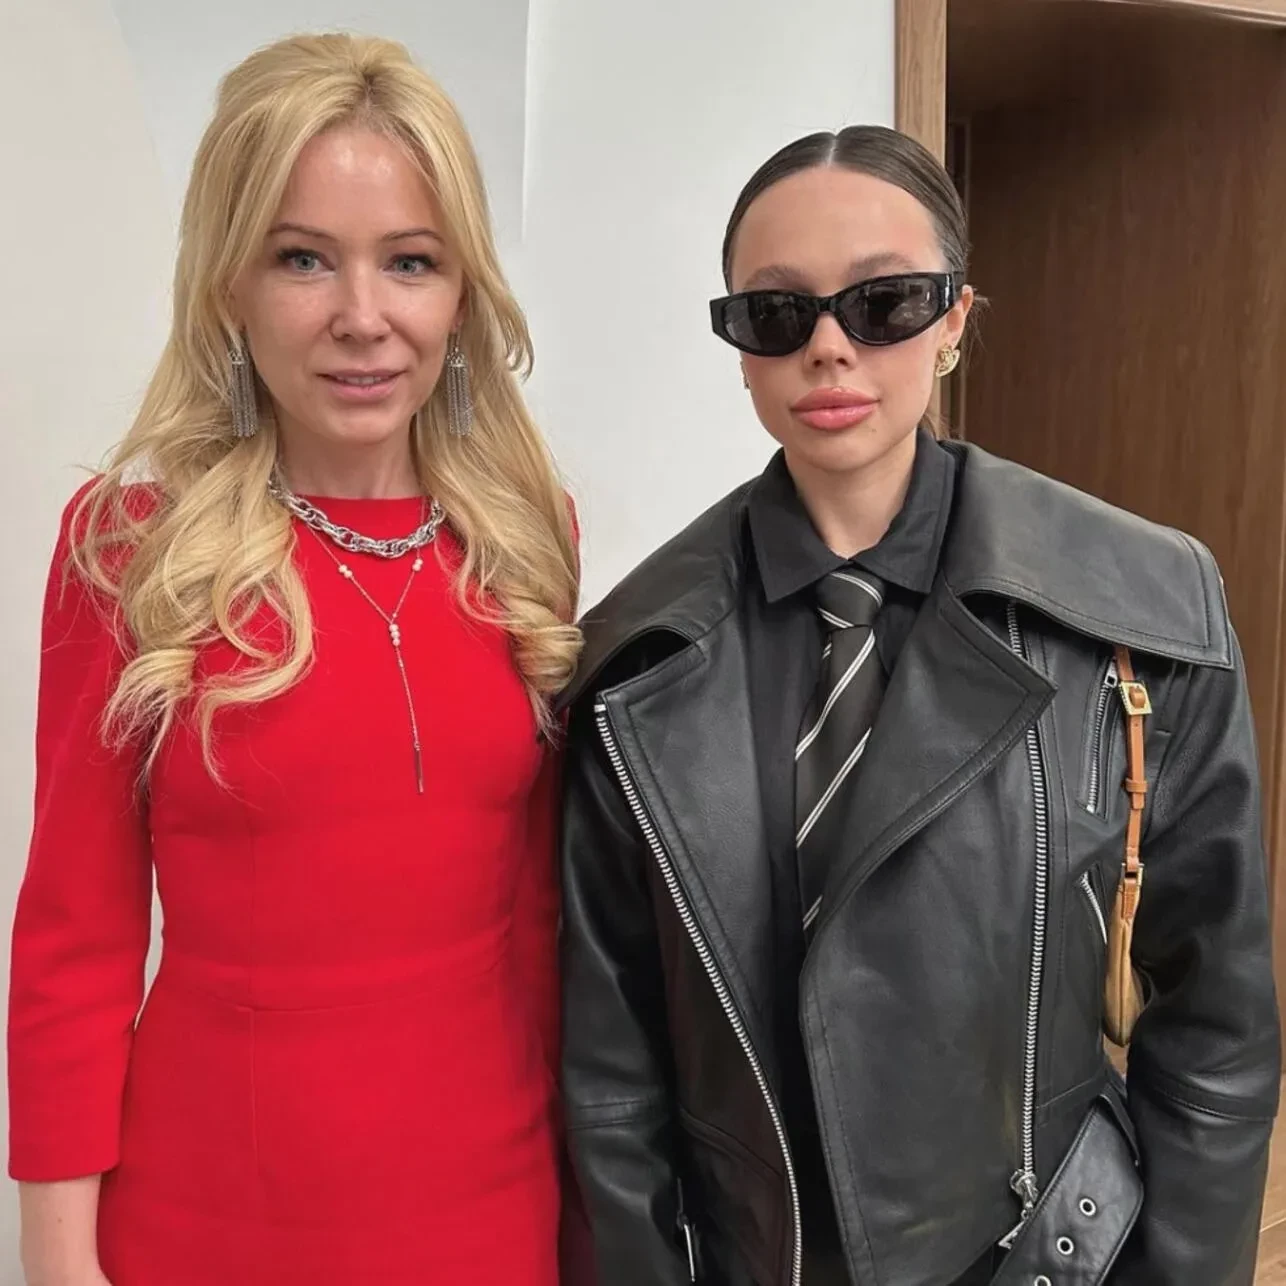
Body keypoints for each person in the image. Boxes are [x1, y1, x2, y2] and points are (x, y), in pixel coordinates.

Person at [557, 124, 1280, 1286]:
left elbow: (1216, 1028)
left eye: (883, 301)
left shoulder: (1140, 609)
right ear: (737, 347)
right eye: (776, 313)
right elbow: (613, 1072)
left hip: (1043, 1254)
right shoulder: (632, 665)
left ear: (952, 319)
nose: (829, 348)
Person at [8, 32, 581, 1286]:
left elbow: (544, 924)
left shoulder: (526, 538)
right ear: (229, 284)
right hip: (205, 1229)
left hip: (493, 1213)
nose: (361, 317)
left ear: (461, 293)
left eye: (410, 261)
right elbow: (72, 943)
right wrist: (57, 1263)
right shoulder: (131, 548)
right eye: (302, 258)